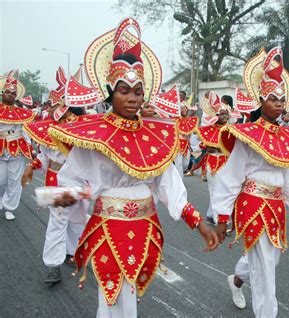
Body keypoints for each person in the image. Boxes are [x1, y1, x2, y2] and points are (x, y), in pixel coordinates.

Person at [48, 18, 218, 318]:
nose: (132, 98)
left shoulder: (156, 135)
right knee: (110, 297)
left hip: (144, 226)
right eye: (124, 90)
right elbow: (70, 180)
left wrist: (199, 223)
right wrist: (66, 196)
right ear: (110, 91)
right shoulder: (93, 135)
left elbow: (169, 184)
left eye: (138, 91)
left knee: (128, 298)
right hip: (108, 226)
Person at [212, 47, 289, 318]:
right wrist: (223, 216)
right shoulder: (246, 135)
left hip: (276, 206)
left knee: (270, 260)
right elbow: (231, 177)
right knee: (265, 268)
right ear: (260, 100)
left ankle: (236, 280)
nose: (279, 104)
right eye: (272, 98)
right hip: (252, 203)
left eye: (282, 99)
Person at [23, 71, 98, 283]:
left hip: (83, 187)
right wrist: (32, 166)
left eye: (67, 114)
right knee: (58, 222)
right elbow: (44, 157)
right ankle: (53, 265)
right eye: (60, 113)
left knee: (77, 222)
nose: (64, 119)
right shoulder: (51, 132)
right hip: (60, 185)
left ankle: (70, 253)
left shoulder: (88, 134)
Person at [0, 71, 35, 220]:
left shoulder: (22, 113)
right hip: (1, 147)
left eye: (13, 93)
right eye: (7, 92)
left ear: (16, 96)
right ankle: (1, 198)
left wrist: (30, 147)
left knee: (15, 180)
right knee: (1, 180)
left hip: (17, 148)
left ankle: (9, 208)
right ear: (3, 93)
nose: (10, 95)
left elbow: (25, 131)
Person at [195, 92, 231, 224]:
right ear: (216, 116)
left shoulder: (231, 130)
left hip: (227, 164)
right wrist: (216, 146)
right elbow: (207, 147)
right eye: (221, 114)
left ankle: (211, 215)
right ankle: (220, 220)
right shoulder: (209, 130)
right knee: (216, 191)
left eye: (226, 113)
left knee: (222, 190)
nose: (224, 116)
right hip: (212, 162)